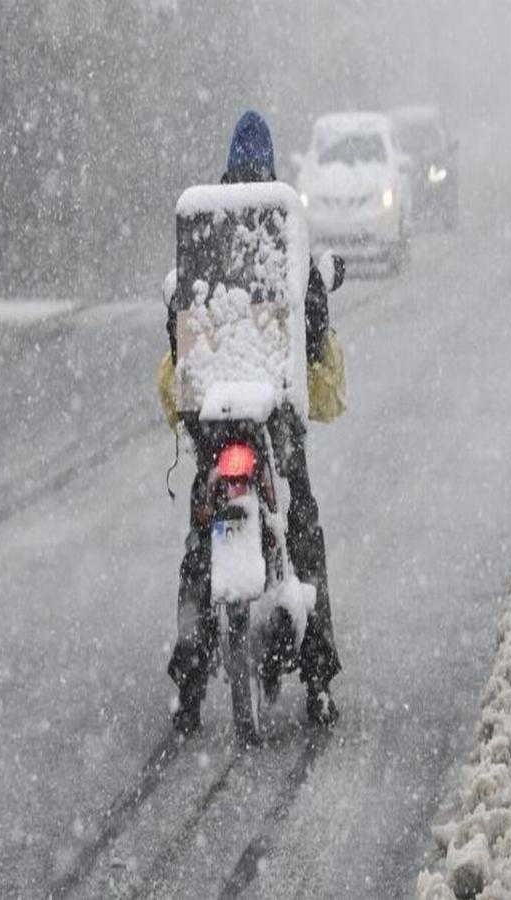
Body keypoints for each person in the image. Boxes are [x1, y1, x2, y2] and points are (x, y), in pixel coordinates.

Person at [160, 110, 341, 736]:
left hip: (216, 426)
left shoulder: (203, 235)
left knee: (198, 548)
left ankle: (188, 689)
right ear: (268, 166)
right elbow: (312, 330)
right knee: (304, 528)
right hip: (273, 420)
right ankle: (318, 682)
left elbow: (178, 333)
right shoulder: (280, 230)